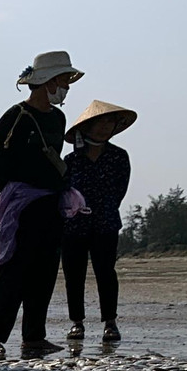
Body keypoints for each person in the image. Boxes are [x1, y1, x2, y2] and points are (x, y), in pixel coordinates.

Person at [0, 51, 85, 359]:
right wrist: (15, 195)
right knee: (13, 270)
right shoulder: (15, 117)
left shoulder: (58, 118)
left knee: (45, 271)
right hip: (23, 206)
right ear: (46, 82)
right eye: (62, 81)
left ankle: (34, 337)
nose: (65, 87)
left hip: (52, 204)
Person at [62, 100, 135, 344]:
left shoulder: (119, 157)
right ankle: (77, 323)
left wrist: (102, 208)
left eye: (109, 122)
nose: (105, 127)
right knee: (74, 274)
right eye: (100, 122)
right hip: (73, 227)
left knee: (106, 273)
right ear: (87, 127)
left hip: (106, 223)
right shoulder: (71, 160)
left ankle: (110, 323)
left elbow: (119, 190)